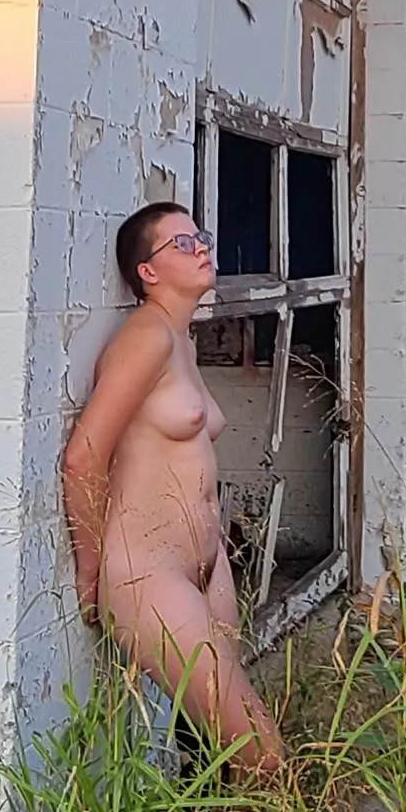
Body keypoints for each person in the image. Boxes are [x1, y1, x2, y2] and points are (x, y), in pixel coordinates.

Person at [61, 202, 286, 782]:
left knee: (226, 749)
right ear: (148, 272)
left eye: (201, 237)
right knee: (263, 756)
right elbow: (84, 455)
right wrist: (91, 570)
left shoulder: (179, 339)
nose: (202, 248)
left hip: (204, 569)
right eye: (182, 244)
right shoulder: (146, 338)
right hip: (149, 574)